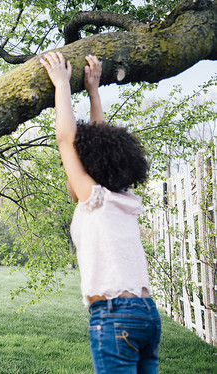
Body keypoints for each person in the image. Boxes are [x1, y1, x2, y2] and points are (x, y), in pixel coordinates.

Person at [40, 52, 161, 374]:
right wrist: (94, 91)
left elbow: (66, 139)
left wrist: (62, 85)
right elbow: (101, 143)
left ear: (91, 170)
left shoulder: (93, 199)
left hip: (115, 313)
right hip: (147, 313)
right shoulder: (124, 199)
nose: (72, 177)